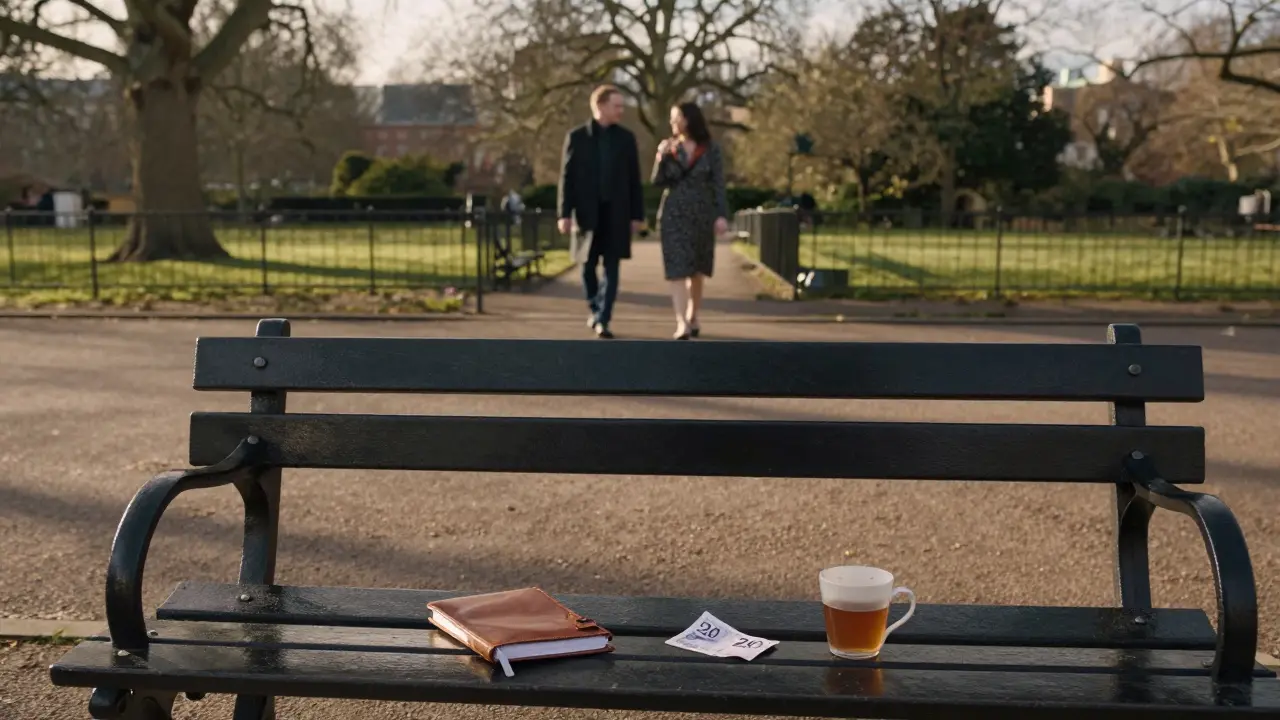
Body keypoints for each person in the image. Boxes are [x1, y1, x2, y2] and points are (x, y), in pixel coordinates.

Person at [557, 85, 645, 339]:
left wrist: (636, 215)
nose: (621, 110)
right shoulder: (577, 137)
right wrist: (564, 214)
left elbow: (634, 180)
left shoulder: (626, 139)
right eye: (617, 105)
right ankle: (595, 308)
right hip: (586, 214)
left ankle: (604, 318)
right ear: (600, 106)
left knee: (613, 266)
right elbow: (567, 178)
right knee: (587, 266)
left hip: (616, 213)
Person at [651, 102, 728, 339]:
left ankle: (693, 315)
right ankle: (681, 321)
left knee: (696, 269)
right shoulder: (670, 148)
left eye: (676, 118)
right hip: (674, 213)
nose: (672, 123)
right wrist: (660, 157)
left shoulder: (710, 149)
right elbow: (657, 181)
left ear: (688, 119)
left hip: (701, 214)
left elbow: (718, 183)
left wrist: (721, 215)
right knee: (676, 268)